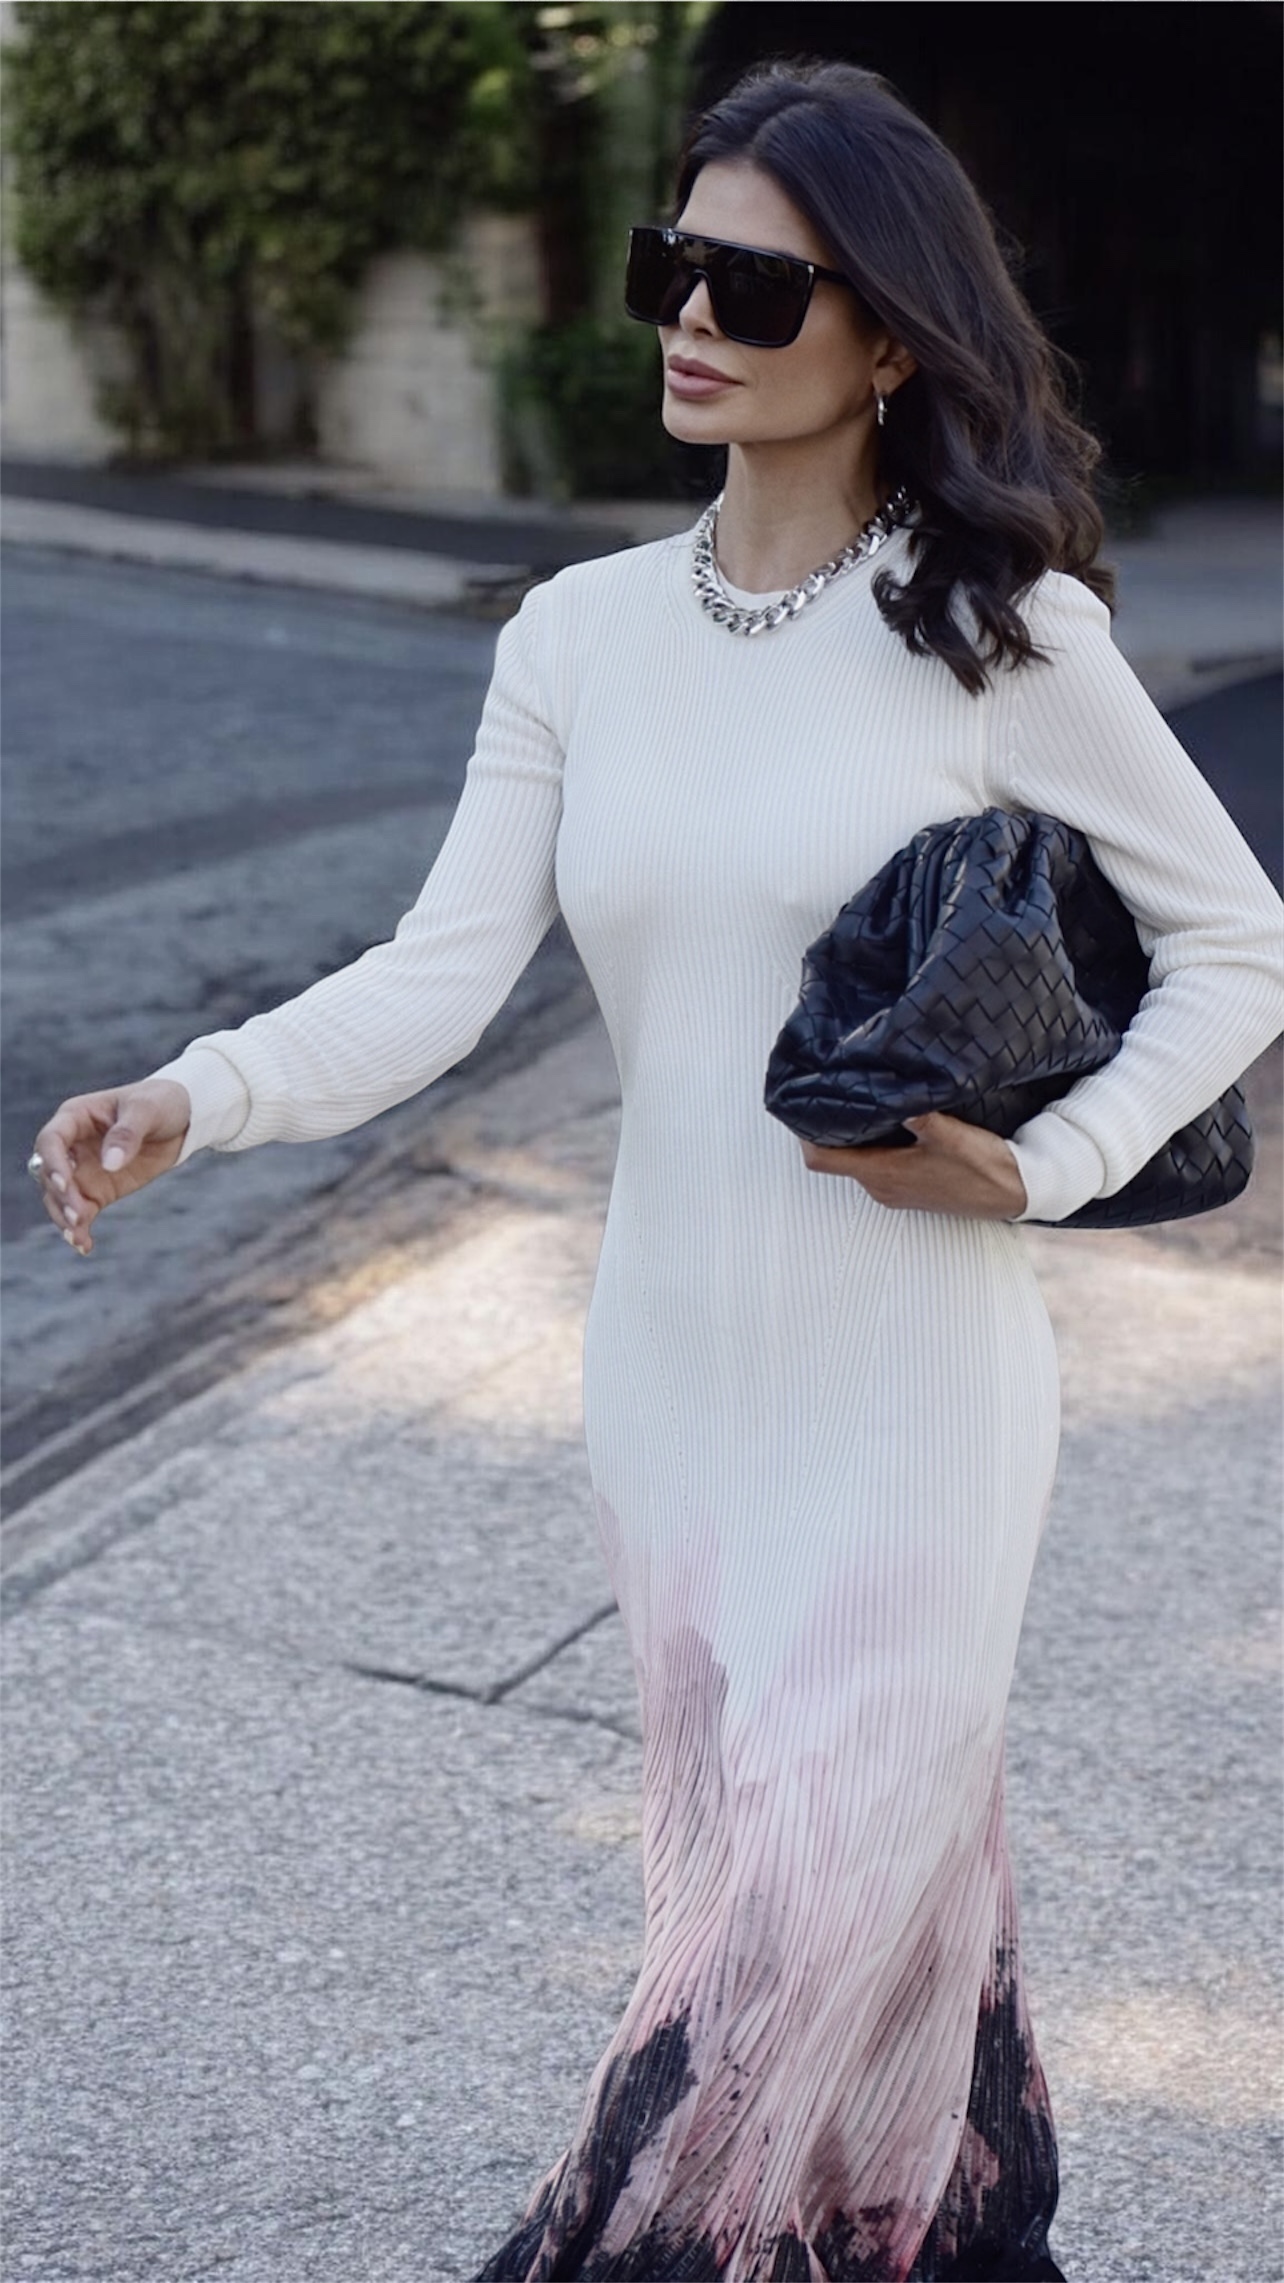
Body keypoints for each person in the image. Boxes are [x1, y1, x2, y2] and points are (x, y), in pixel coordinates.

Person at [29, 58, 1284, 2283]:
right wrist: (196, 1090)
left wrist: (1053, 1160)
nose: (688, 316)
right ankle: (952, 2230)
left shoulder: (1000, 630)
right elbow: (437, 975)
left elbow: (1237, 933)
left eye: (754, 284)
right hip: (673, 1386)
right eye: (666, 265)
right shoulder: (577, 636)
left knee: (765, 1964)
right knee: (786, 1918)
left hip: (915, 1405)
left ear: (890, 333)